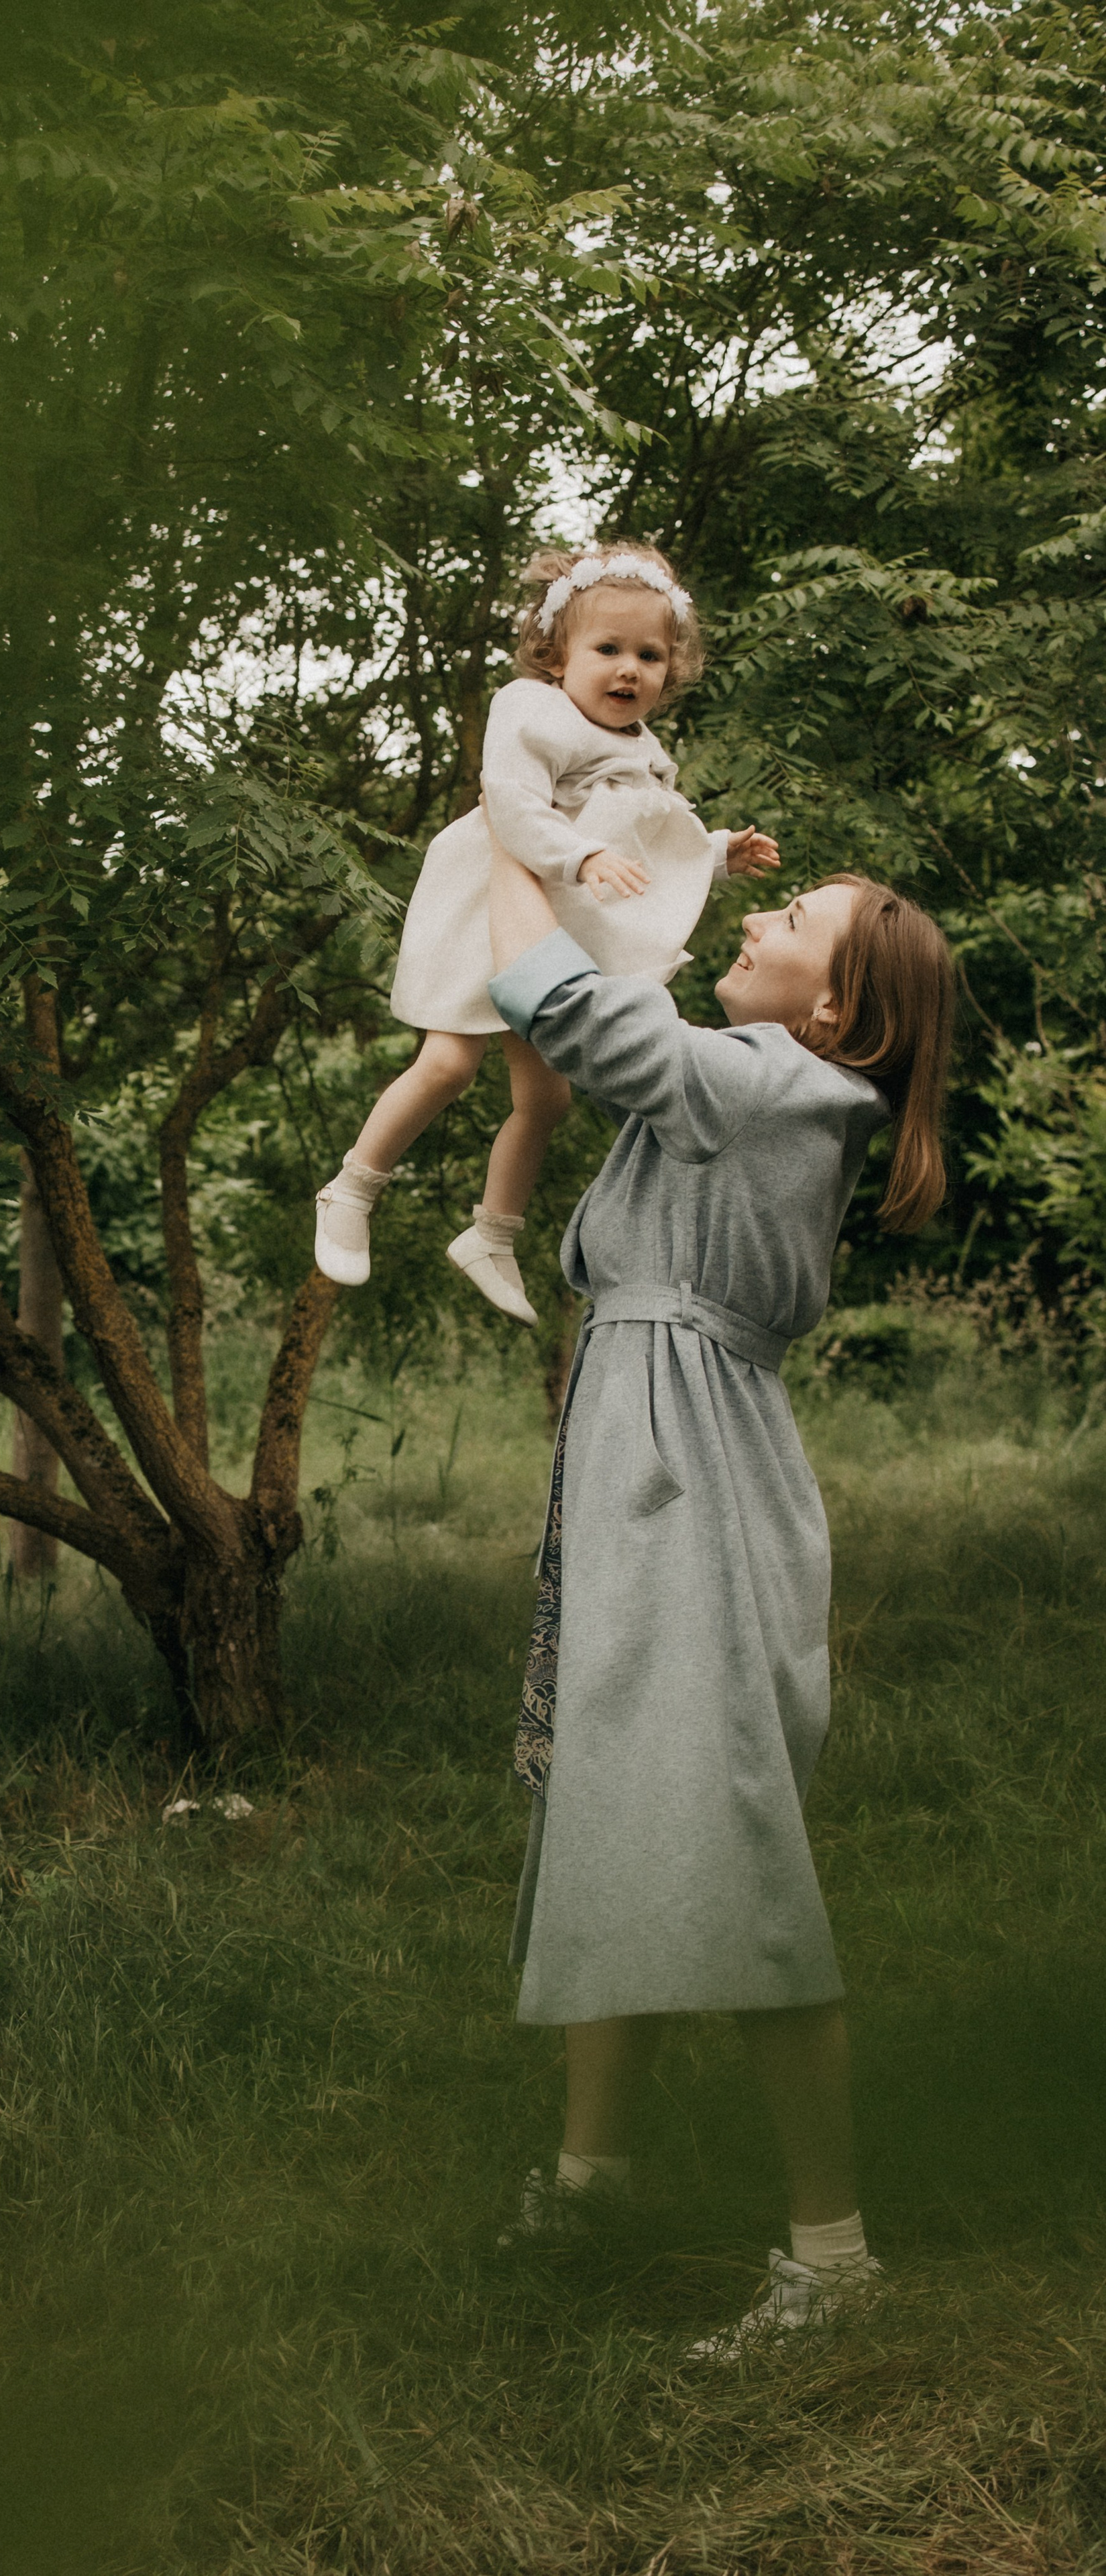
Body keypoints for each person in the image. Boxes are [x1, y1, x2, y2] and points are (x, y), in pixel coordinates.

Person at [485, 843, 954, 2358]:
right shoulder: (749, 1072)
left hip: (686, 1479)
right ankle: (589, 2179)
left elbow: (590, 1014)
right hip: (644, 1460)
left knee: (723, 1843)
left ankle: (831, 2259)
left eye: (790, 918)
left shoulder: (778, 1082)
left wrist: (511, 856)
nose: (753, 918)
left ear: (836, 1008)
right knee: (611, 1812)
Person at [311, 543, 779, 1326]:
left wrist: (714, 852)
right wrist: (580, 852)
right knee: (449, 1061)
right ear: (554, 655)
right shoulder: (532, 710)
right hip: (491, 897)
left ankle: (492, 1235)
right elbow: (514, 803)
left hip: (552, 920)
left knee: (547, 1096)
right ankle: (352, 1188)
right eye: (607, 650)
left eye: (649, 656)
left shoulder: (644, 751)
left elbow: (652, 832)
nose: (628, 670)